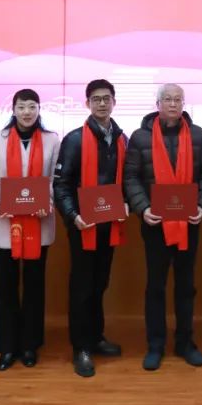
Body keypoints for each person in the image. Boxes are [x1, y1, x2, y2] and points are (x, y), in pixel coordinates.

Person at [123, 83, 202, 371]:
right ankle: (155, 344)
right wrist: (143, 208)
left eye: (177, 99)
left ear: (183, 104)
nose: (173, 104)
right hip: (155, 223)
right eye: (168, 99)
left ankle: (185, 342)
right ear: (158, 104)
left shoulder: (197, 134)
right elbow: (131, 177)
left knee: (186, 286)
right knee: (156, 286)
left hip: (189, 222)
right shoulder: (140, 137)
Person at [0, 88, 60, 371]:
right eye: (21, 106)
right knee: (7, 288)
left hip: (39, 223)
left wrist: (46, 201)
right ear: (13, 110)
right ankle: (8, 347)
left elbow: (56, 180)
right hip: (4, 225)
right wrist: (0, 203)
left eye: (32, 106)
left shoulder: (52, 140)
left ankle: (30, 345)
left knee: (35, 287)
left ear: (39, 109)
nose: (27, 112)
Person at [54, 79, 129, 377]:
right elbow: (61, 185)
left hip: (110, 223)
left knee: (100, 284)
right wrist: (73, 215)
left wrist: (127, 204)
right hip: (82, 224)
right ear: (87, 103)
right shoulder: (74, 140)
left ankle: (96, 337)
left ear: (114, 102)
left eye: (106, 98)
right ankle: (81, 347)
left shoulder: (121, 139)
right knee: (82, 287)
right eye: (96, 99)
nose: (101, 103)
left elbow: (126, 181)